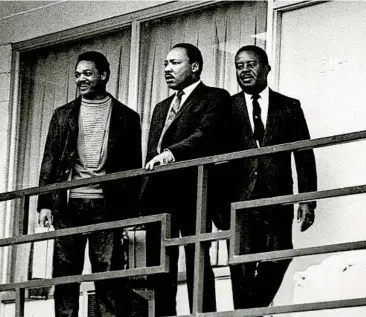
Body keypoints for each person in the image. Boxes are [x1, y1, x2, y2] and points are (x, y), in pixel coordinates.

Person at [37, 51, 142, 317]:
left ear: (104, 75)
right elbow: (50, 159)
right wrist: (45, 204)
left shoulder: (127, 117)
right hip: (69, 203)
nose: (80, 79)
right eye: (77, 74)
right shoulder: (63, 115)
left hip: (107, 205)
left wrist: (129, 212)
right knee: (65, 273)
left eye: (87, 73)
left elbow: (132, 168)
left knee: (108, 272)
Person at [139, 43, 231, 316]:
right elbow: (149, 155)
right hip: (159, 197)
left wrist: (170, 154)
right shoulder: (160, 107)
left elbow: (207, 135)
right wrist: (141, 200)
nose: (167, 69)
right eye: (165, 63)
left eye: (175, 63)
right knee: (160, 266)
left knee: (197, 260)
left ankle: (203, 315)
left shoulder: (215, 97)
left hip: (195, 192)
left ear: (195, 67)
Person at [226, 45, 317, 310]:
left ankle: (246, 314)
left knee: (279, 256)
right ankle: (249, 314)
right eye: (239, 66)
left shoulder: (288, 106)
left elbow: (303, 154)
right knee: (240, 268)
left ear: (266, 67)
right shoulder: (227, 108)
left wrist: (307, 200)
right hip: (239, 203)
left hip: (277, 198)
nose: (245, 70)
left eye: (251, 64)